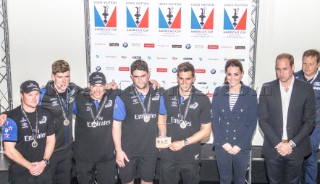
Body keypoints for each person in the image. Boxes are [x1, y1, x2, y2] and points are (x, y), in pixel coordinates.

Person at [258, 53, 316, 184]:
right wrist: (279, 144)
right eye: (278, 69)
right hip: (273, 148)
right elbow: (263, 120)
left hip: (296, 147)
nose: (281, 73)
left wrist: (291, 144)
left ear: (293, 67)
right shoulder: (267, 88)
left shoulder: (306, 88)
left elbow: (309, 121)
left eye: (285, 69)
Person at [158, 62, 212, 184]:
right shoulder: (167, 94)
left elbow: (206, 130)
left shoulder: (202, 99)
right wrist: (163, 136)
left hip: (190, 155)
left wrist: (183, 143)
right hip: (168, 154)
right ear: (177, 78)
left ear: (194, 78)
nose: (184, 82)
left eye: (188, 79)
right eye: (181, 79)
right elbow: (161, 117)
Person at [113, 59, 164, 184]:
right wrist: (118, 150)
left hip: (150, 149)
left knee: (147, 182)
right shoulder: (123, 96)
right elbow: (116, 125)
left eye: (143, 76)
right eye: (136, 77)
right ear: (131, 76)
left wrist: (162, 139)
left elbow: (162, 119)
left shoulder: (159, 93)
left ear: (149, 74)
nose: (140, 80)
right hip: (128, 150)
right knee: (127, 182)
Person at [211, 59, 258, 184]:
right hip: (223, 145)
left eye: (236, 74)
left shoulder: (251, 94)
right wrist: (222, 143)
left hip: (241, 146)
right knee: (224, 180)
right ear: (226, 75)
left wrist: (239, 145)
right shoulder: (218, 92)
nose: (232, 78)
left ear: (242, 73)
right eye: (229, 74)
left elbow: (252, 122)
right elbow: (214, 120)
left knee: (239, 180)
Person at [1, 80, 56, 184]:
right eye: (30, 95)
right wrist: (29, 166)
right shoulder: (11, 119)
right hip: (21, 173)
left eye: (36, 94)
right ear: (21, 95)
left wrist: (44, 162)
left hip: (43, 170)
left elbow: (51, 140)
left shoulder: (46, 114)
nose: (34, 98)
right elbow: (9, 150)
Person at [39, 60, 81, 184]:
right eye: (60, 77)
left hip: (67, 150)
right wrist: (5, 114)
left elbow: (92, 92)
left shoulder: (73, 89)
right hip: (49, 151)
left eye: (67, 76)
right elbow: (25, 107)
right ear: (53, 77)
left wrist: (107, 87)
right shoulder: (43, 94)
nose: (64, 81)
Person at [72, 71, 118, 184]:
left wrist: (152, 83)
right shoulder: (78, 100)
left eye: (101, 86)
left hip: (106, 156)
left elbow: (135, 90)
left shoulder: (113, 97)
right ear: (88, 85)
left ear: (106, 86)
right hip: (84, 157)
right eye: (94, 86)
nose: (97, 90)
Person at [294, 49, 320, 184]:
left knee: (310, 159)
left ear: (318, 64)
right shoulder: (294, 77)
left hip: (315, 127)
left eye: (310, 64)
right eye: (304, 63)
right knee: (295, 160)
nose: (307, 67)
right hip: (296, 127)